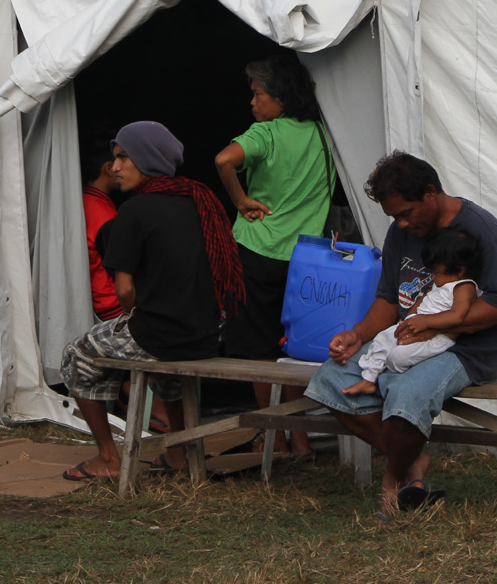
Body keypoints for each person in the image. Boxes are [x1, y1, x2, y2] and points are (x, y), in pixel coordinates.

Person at [304, 151, 497, 514]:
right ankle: (413, 466)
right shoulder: (400, 233)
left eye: (406, 214)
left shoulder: (480, 228)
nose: (401, 224)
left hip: (464, 351)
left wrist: (434, 326)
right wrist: (358, 335)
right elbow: (389, 298)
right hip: (405, 338)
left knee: (405, 394)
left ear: (430, 192)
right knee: (331, 380)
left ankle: (392, 479)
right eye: (394, 217)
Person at [61, 121, 244, 480]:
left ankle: (109, 458)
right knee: (161, 365)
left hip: (162, 334)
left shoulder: (135, 211)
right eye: (115, 158)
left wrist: (133, 315)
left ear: (145, 159)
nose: (115, 167)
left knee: (77, 354)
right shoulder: (200, 202)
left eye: (123, 157)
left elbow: (125, 290)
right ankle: (179, 454)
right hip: (208, 333)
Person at [215, 54, 333, 456]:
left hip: (256, 250)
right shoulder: (322, 135)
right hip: (305, 260)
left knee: (259, 351)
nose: (253, 103)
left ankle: (273, 435)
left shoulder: (265, 133)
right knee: (294, 348)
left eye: (258, 94)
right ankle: (299, 440)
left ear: (280, 97)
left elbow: (223, 160)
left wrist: (241, 198)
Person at [342, 228, 481, 396]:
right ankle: (369, 379)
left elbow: (458, 315)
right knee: (382, 339)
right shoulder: (442, 282)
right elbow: (422, 300)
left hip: (437, 337)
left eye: (436, 272)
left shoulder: (464, 287)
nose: (433, 276)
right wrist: (408, 319)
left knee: (398, 356)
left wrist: (427, 322)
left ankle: (395, 377)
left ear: (459, 270)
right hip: (414, 325)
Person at [80, 134, 122, 322]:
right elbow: (119, 268)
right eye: (120, 162)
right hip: (112, 308)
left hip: (93, 303)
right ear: (108, 168)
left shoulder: (81, 201)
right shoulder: (102, 213)